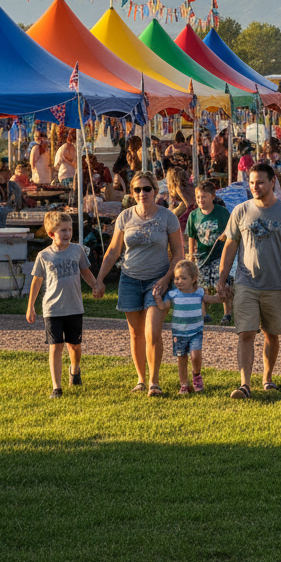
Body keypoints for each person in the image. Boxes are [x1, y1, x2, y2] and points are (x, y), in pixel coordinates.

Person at [216, 162, 281, 400]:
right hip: (245, 282)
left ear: (272, 182)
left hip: (276, 284)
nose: (255, 186)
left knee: (271, 334)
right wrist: (222, 279)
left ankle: (267, 377)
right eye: (252, 182)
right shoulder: (241, 211)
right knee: (245, 333)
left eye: (260, 182)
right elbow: (230, 245)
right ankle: (245, 384)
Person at [93, 170, 185, 397]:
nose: (142, 193)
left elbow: (178, 253)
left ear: (155, 190)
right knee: (135, 333)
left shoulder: (167, 217)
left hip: (158, 279)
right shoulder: (125, 216)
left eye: (146, 188)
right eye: (137, 189)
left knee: (152, 331)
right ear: (132, 192)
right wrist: (99, 279)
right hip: (130, 279)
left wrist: (166, 279)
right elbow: (114, 250)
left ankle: (155, 382)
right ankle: (141, 379)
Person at [25, 210, 99, 398]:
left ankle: (75, 369)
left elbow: (85, 272)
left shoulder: (77, 250)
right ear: (51, 234)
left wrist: (95, 286)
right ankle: (56, 387)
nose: (68, 234)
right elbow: (37, 281)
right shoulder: (44, 256)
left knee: (74, 345)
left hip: (74, 306)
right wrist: (30, 306)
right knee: (55, 346)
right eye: (63, 230)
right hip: (52, 308)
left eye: (70, 230)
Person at [154, 259, 224, 395]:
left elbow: (212, 299)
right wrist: (158, 299)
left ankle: (196, 376)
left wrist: (221, 296)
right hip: (179, 333)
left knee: (195, 355)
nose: (179, 281)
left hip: (196, 331)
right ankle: (184, 384)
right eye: (177, 278)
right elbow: (164, 306)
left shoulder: (199, 293)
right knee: (182, 358)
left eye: (183, 278)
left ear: (193, 279)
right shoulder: (173, 294)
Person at [186, 180, 233, 324]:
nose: (200, 200)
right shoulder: (193, 215)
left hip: (219, 255)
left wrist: (224, 234)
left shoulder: (222, 212)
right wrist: (191, 258)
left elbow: (231, 228)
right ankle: (203, 313)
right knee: (200, 285)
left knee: (223, 283)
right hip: (201, 256)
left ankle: (227, 313)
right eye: (198, 197)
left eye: (204, 197)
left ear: (213, 196)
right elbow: (191, 237)